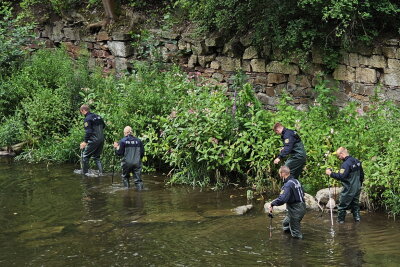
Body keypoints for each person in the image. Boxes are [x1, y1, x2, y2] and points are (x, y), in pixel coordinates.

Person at [325, 147, 364, 223]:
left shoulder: (346, 164)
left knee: (342, 206)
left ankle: (340, 223)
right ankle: (358, 221)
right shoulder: (357, 161)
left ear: (342, 154)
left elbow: (341, 176)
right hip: (357, 187)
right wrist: (359, 185)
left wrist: (330, 173)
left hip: (348, 188)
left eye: (338, 156)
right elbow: (362, 175)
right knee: (355, 205)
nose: (339, 158)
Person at [269, 165, 306, 239]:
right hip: (301, 206)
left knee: (296, 233)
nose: (279, 175)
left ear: (283, 174)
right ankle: (287, 238)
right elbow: (303, 193)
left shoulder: (288, 185)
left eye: (280, 174)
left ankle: (297, 247)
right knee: (286, 223)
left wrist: (272, 203)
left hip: (295, 210)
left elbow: (282, 199)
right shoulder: (295, 181)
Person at [79, 104, 106, 176]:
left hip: (94, 140)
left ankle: (85, 174)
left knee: (85, 156)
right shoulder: (98, 116)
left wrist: (85, 142)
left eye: (81, 112)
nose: (81, 113)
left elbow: (89, 132)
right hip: (101, 139)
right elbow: (103, 126)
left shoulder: (87, 119)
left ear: (83, 110)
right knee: (96, 157)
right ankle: (101, 173)